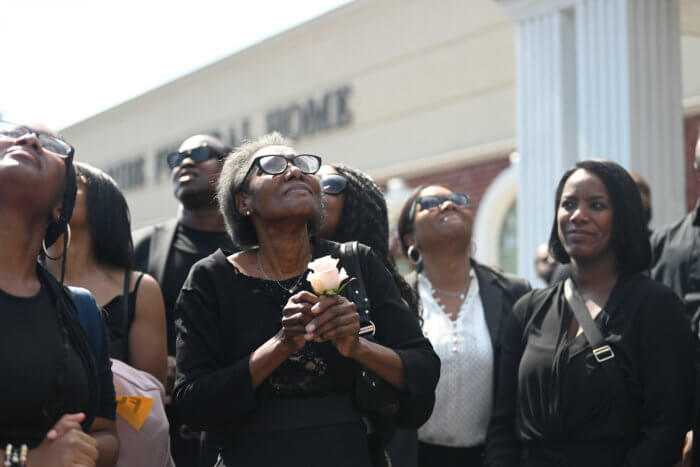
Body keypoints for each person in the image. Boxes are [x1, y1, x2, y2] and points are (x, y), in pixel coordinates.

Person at [173, 133, 440, 467]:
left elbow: (424, 370)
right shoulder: (210, 279)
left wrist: (358, 346)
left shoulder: (357, 261)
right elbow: (192, 404)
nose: (295, 171)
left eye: (302, 164)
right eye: (272, 166)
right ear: (244, 202)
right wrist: (281, 345)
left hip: (347, 453)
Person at [486, 159, 695, 467]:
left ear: (622, 217)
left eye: (596, 205)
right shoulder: (527, 309)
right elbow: (503, 425)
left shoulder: (657, 307)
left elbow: (667, 429)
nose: (578, 216)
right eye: (567, 204)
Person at [0, 121, 118, 466]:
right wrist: (26, 460)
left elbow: (107, 433)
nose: (29, 140)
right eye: (10, 132)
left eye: (52, 144)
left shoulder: (79, 310)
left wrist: (82, 450)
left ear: (59, 208)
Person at [394, 184, 530, 467]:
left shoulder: (514, 292)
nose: (448, 205)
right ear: (410, 237)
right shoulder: (396, 301)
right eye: (431, 202)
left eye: (457, 199)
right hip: (416, 458)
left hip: (492, 459)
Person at [132, 134, 235, 465]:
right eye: (177, 158)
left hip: (243, 423)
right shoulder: (140, 247)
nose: (185, 162)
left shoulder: (257, 246)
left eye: (201, 153)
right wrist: (151, 364)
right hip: (166, 431)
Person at [316, 164, 422, 467]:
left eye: (331, 184)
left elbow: (417, 384)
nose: (314, 186)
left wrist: (359, 346)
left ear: (358, 207)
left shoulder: (380, 284)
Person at [44, 161, 167, 384]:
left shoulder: (140, 289)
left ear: (102, 202)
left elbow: (150, 395)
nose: (53, 188)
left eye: (70, 182)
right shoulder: (15, 277)